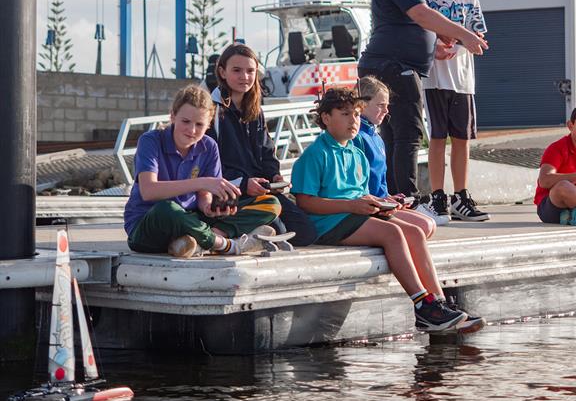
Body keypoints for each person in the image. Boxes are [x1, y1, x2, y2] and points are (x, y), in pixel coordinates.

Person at [291, 88, 484, 333]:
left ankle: (439, 303)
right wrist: (353, 205)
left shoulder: (356, 152)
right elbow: (306, 202)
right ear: (326, 118)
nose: (354, 120)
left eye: (357, 114)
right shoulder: (315, 154)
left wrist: (381, 203)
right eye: (345, 114)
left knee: (414, 231)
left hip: (355, 213)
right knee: (393, 234)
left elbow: (358, 193)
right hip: (329, 221)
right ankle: (421, 305)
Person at [358, 0, 488, 201]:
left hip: (390, 65)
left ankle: (394, 197)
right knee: (408, 134)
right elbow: (421, 14)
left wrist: (432, 48)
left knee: (394, 136)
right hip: (396, 67)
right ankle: (409, 198)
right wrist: (464, 34)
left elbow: (407, 23)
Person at [123, 85, 282, 258]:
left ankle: (196, 241)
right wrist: (201, 182)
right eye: (185, 121)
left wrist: (208, 207)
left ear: (208, 125)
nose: (191, 130)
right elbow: (148, 191)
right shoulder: (150, 141)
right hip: (149, 225)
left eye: (199, 124)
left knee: (271, 203)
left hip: (191, 218)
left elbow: (203, 195)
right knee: (167, 209)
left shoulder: (209, 146)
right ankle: (227, 245)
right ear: (173, 116)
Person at [207, 43, 318, 246]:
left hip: (260, 189)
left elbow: (267, 151)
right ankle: (228, 232)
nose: (245, 77)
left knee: (305, 232)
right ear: (222, 72)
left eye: (250, 71)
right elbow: (207, 165)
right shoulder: (211, 112)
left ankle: (250, 234)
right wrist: (242, 184)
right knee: (279, 226)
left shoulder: (255, 111)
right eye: (237, 70)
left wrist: (273, 175)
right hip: (229, 190)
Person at [416, 0, 489, 225]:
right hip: (433, 78)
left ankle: (461, 195)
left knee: (462, 139)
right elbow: (415, 30)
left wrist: (460, 44)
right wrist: (434, 45)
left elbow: (478, 34)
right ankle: (437, 195)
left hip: (463, 79)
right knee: (437, 137)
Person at [352, 76, 436, 238]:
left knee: (429, 224)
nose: (386, 111)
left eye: (387, 106)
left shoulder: (376, 137)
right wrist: (380, 200)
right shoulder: (357, 137)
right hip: (370, 206)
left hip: (381, 202)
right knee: (424, 226)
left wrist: (389, 197)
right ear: (362, 104)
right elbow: (358, 182)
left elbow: (380, 180)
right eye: (380, 105)